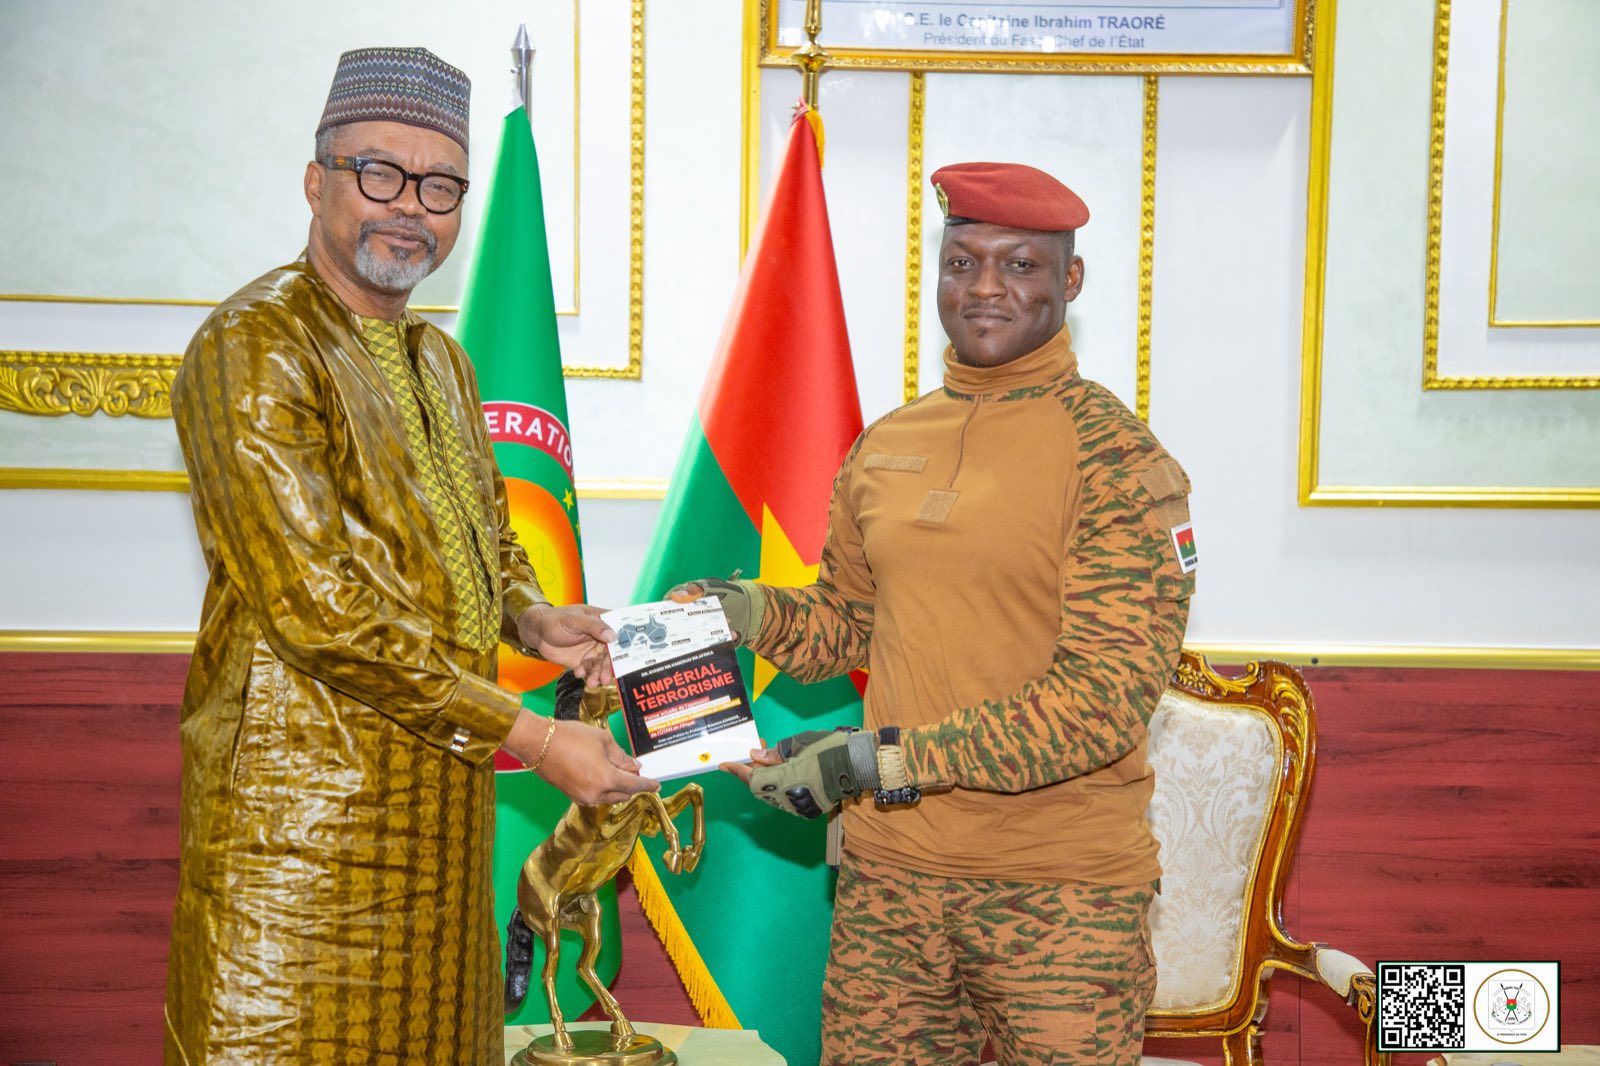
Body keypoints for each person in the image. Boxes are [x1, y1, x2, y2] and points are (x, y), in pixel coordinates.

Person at [164, 46, 654, 1064]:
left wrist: (528, 615)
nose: (409, 208)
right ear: (317, 179)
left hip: (440, 826)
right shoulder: (258, 345)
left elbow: (480, 530)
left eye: (439, 186)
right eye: (379, 173)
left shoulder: (440, 360)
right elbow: (320, 607)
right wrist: (533, 734)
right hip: (301, 839)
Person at [676, 162, 1196, 1065]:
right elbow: (845, 623)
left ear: (1069, 281)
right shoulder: (886, 445)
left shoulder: (1120, 463)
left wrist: (878, 761)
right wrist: (744, 611)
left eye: (1020, 265)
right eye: (963, 263)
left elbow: (1100, 705)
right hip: (889, 887)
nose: (986, 288)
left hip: (1060, 900)